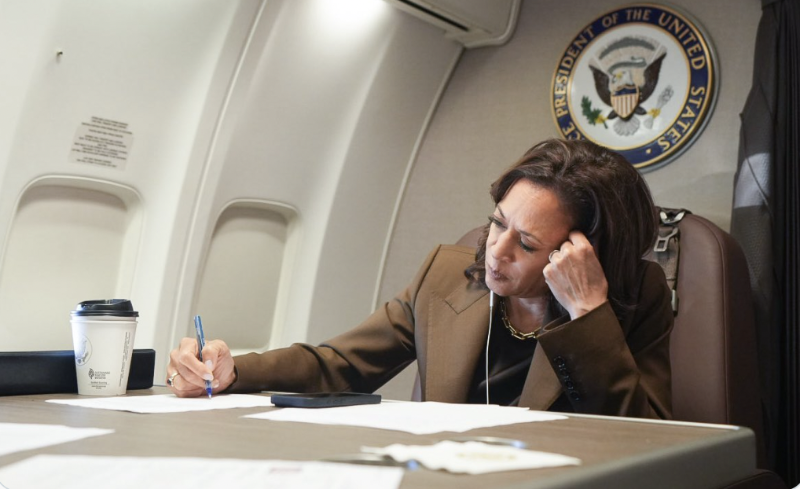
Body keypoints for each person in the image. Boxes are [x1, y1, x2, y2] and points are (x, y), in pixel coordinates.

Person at [167, 138, 673, 418]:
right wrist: (232, 372)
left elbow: (648, 432)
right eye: (498, 223)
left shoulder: (631, 298)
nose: (495, 252)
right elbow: (340, 364)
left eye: (526, 244)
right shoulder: (446, 274)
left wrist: (587, 315)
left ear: (582, 253)